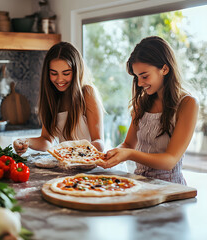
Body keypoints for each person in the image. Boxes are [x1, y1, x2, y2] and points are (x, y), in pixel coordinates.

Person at [99, 36, 199, 185]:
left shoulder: (187, 103)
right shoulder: (142, 103)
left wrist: (129, 154)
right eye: (137, 77)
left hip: (170, 189)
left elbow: (170, 160)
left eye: (144, 76)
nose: (139, 83)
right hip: (139, 183)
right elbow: (128, 145)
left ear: (164, 69)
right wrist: (113, 153)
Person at [13, 42, 104, 155]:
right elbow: (46, 141)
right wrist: (26, 141)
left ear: (76, 72)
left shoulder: (87, 93)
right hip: (68, 165)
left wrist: (73, 153)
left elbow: (99, 143)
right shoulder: (53, 97)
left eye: (66, 73)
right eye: (54, 73)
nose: (59, 79)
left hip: (90, 164)